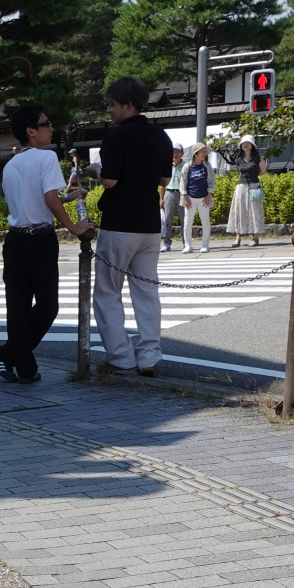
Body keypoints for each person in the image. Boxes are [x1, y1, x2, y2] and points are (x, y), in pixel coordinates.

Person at [0, 101, 95, 383]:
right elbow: (49, 200)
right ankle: (10, 355)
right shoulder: (46, 158)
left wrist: (67, 197)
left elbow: (36, 199)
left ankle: (21, 365)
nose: (51, 129)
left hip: (14, 240)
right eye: (46, 124)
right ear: (31, 131)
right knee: (48, 305)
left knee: (17, 306)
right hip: (39, 239)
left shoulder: (11, 164)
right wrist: (75, 228)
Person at [91, 76, 174, 377]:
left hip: (120, 223)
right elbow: (164, 180)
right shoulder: (160, 136)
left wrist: (94, 171)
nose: (109, 110)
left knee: (107, 291)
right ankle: (149, 355)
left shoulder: (117, 136)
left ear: (128, 105)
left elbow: (110, 180)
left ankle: (120, 357)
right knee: (146, 290)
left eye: (112, 104)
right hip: (150, 223)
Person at [227, 138, 267, 248]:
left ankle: (255, 237)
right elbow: (240, 172)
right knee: (239, 211)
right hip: (241, 186)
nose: (245, 144)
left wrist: (252, 174)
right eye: (243, 143)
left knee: (254, 211)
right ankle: (238, 237)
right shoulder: (238, 158)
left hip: (254, 185)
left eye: (248, 142)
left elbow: (263, 171)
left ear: (252, 144)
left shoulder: (259, 156)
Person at [182, 143, 213, 253]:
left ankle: (205, 244)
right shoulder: (188, 166)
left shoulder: (207, 166)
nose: (204, 153)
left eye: (205, 151)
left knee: (205, 222)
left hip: (204, 198)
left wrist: (209, 195)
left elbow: (211, 181)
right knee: (187, 223)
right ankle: (188, 245)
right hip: (190, 198)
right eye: (202, 151)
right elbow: (183, 182)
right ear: (195, 154)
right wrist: (185, 197)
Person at [160, 145, 186, 253]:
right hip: (169, 193)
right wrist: (161, 199)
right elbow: (162, 183)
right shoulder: (166, 165)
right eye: (173, 152)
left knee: (184, 220)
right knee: (167, 220)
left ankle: (186, 243)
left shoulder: (185, 166)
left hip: (182, 193)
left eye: (177, 152)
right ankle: (166, 243)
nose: (175, 154)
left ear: (182, 153)